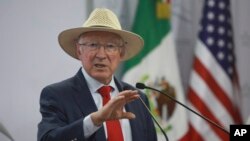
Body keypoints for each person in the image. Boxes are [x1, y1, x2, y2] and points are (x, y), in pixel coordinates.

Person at [37, 8, 157, 141]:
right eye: (93, 45)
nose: (101, 55)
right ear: (79, 50)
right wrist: (95, 120)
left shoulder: (138, 98)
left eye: (110, 46)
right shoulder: (57, 95)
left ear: (121, 53)